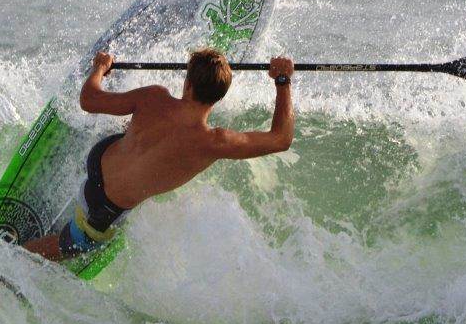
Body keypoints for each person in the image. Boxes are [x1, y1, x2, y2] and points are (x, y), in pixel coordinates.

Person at [24, 47, 295, 261]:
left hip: (99, 159)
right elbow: (281, 139)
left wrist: (100, 68)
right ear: (219, 97)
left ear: (188, 85)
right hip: (104, 210)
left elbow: (89, 99)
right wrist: (282, 81)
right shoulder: (215, 142)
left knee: (134, 128)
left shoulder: (153, 97)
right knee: (69, 247)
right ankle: (18, 257)